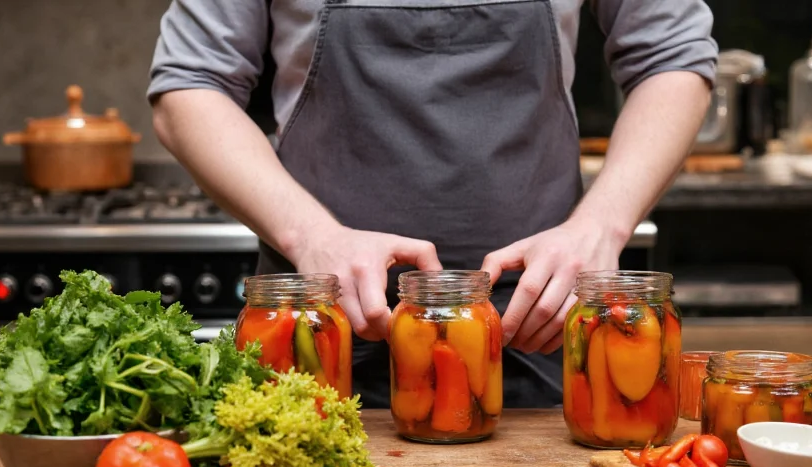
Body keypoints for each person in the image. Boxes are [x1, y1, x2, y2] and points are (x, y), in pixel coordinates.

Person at [147, 0, 717, 409]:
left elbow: (673, 58)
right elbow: (190, 85)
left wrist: (602, 225)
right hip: (315, 329)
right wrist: (309, 235)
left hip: (541, 322)